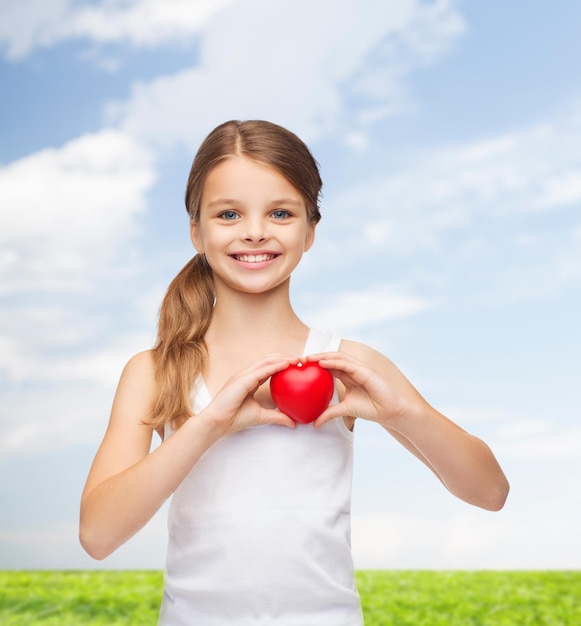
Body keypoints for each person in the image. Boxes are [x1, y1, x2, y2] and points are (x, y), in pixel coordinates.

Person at [80, 120, 509, 625]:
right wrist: (210, 424)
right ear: (196, 230)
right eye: (229, 213)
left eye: (280, 212)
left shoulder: (348, 364)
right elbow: (98, 536)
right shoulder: (154, 371)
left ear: (310, 231)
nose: (255, 231)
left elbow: (491, 493)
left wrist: (405, 413)